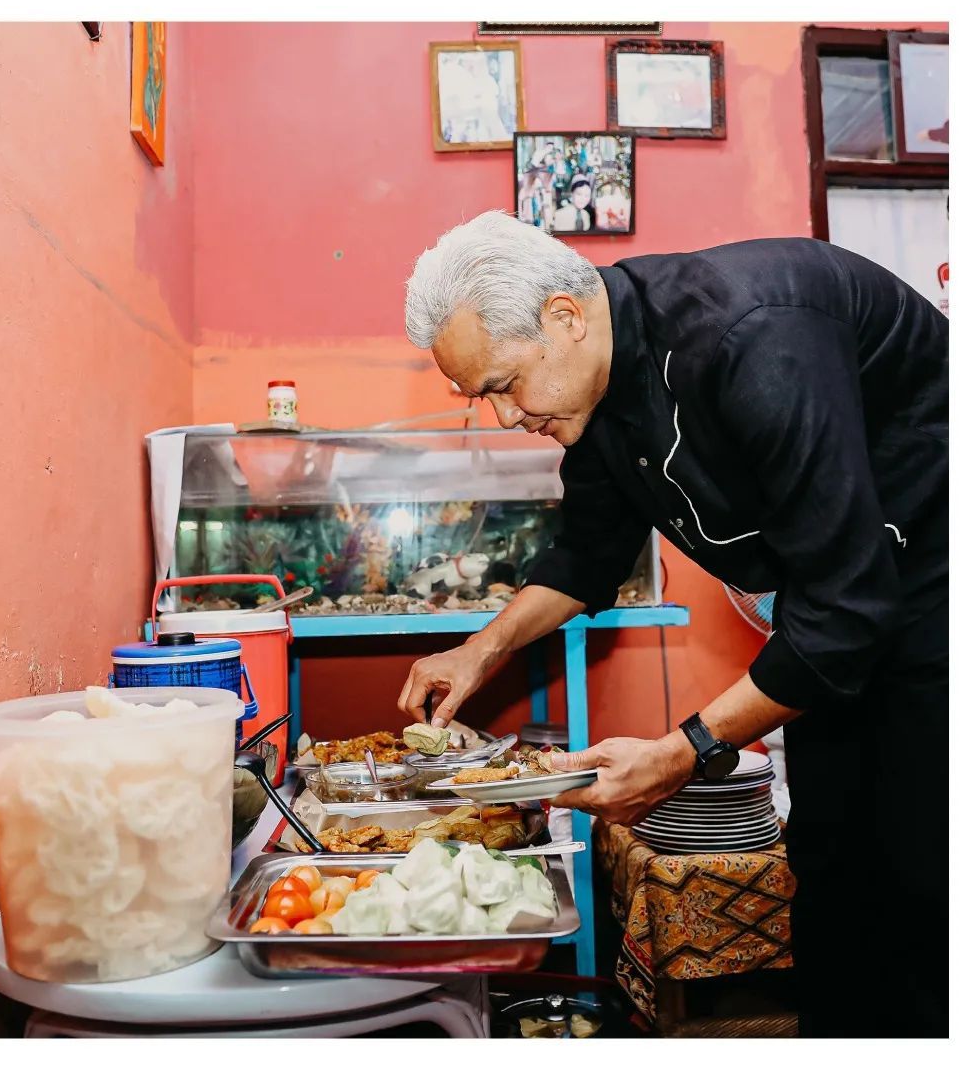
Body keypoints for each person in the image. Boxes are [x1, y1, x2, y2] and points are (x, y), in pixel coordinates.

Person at [399, 211, 948, 1038]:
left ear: (564, 317)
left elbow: (847, 614)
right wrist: (483, 650)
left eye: (504, 386)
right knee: (832, 866)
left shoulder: (752, 337)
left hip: (940, 594)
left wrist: (680, 753)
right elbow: (587, 555)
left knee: (925, 872)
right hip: (836, 616)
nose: (506, 417)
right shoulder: (592, 389)